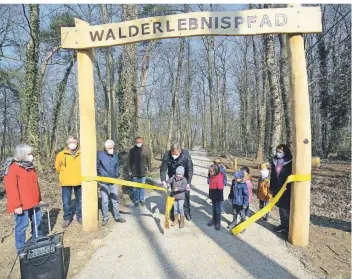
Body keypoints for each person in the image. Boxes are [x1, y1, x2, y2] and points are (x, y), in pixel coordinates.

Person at [3, 144, 43, 253]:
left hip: (34, 202)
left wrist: (39, 199)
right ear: (22, 155)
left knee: (38, 220)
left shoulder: (30, 166)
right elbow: (11, 189)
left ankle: (38, 239)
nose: (31, 156)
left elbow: (35, 184)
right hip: (22, 204)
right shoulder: (13, 168)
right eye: (29, 154)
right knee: (22, 226)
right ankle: (20, 248)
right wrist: (16, 205)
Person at [160, 143, 193, 221]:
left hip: (184, 177)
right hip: (173, 177)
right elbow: (163, 169)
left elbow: (190, 169)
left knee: (186, 195)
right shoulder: (167, 155)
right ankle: (173, 212)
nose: (174, 155)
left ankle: (186, 212)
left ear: (180, 151)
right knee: (173, 194)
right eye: (173, 153)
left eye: (176, 154)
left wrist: (188, 182)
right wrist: (163, 180)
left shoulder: (185, 154)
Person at [97, 140, 126, 226]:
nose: (112, 149)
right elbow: (97, 166)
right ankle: (105, 218)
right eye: (110, 148)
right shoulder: (100, 155)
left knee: (115, 200)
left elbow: (117, 166)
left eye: (113, 148)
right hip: (104, 182)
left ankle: (117, 217)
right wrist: (99, 177)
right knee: (105, 201)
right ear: (106, 148)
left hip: (113, 181)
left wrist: (117, 175)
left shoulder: (115, 156)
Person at [55, 136, 82, 228]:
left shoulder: (82, 153)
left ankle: (80, 216)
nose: (72, 144)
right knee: (66, 201)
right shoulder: (61, 154)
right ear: (67, 143)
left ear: (77, 142)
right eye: (70, 142)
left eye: (74, 142)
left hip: (79, 180)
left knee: (80, 200)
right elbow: (57, 168)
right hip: (66, 181)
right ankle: (67, 218)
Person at [270, 144, 293, 234]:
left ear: (285, 152)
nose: (278, 153)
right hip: (277, 188)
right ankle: (283, 225)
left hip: (287, 189)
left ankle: (288, 227)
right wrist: (271, 188)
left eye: (280, 152)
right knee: (281, 207)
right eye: (277, 151)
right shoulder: (275, 161)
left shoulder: (290, 161)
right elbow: (273, 175)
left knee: (285, 208)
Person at [129, 136, 151, 207]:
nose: (139, 143)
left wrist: (149, 168)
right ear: (135, 142)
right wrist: (129, 170)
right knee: (135, 187)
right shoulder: (132, 150)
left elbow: (149, 160)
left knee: (142, 187)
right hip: (134, 172)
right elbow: (129, 161)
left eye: (140, 142)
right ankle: (136, 200)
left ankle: (141, 199)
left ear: (142, 142)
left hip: (143, 172)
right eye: (137, 142)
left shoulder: (146, 150)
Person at [207, 164, 224, 231]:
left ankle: (218, 223)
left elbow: (220, 190)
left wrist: (219, 199)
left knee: (217, 210)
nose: (209, 173)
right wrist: (210, 195)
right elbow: (211, 187)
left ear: (216, 171)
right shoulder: (211, 177)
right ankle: (213, 220)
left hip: (217, 196)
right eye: (209, 171)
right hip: (213, 195)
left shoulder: (219, 179)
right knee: (213, 209)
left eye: (211, 171)